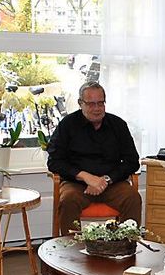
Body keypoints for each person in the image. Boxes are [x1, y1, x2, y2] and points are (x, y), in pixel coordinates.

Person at [46, 82, 141, 236]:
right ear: (80, 103)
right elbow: (54, 161)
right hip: (77, 184)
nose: (97, 108)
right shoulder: (67, 125)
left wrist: (105, 180)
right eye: (91, 104)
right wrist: (86, 176)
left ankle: (125, 247)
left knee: (132, 198)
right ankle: (71, 252)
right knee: (68, 200)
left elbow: (132, 161)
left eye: (100, 103)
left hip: (112, 184)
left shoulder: (118, 125)